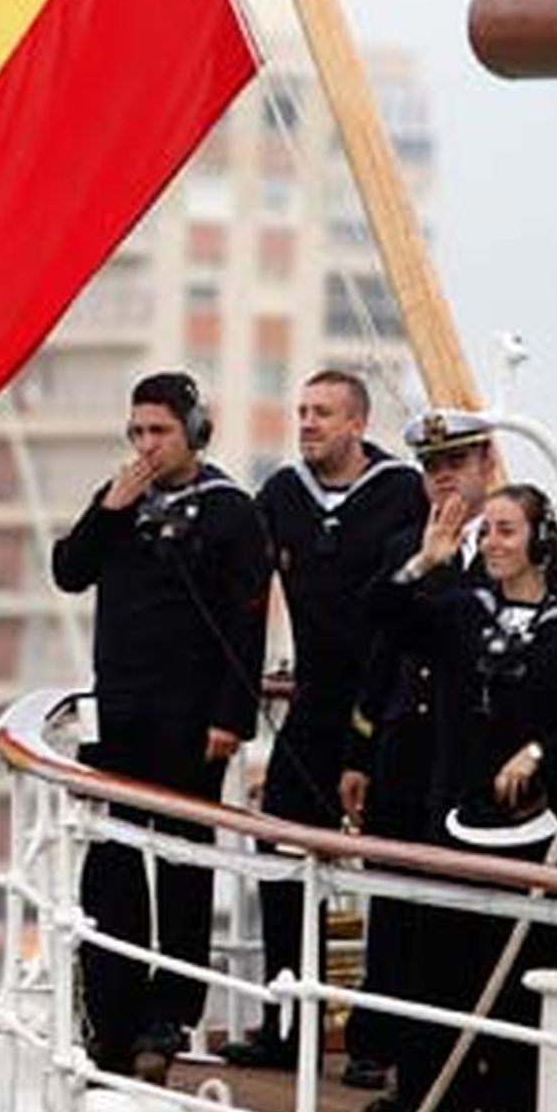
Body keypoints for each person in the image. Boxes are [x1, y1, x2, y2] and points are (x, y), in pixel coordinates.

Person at [371, 481, 557, 1112]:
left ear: (540, 541)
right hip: (456, 827)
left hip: (531, 839)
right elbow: (383, 616)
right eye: (486, 531)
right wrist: (426, 561)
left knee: (527, 989)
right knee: (439, 984)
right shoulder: (460, 611)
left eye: (506, 530)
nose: (491, 543)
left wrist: (541, 752)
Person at [52, 371, 270, 1081]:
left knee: (182, 863)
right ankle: (111, 1012)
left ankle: (168, 1013)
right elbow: (69, 571)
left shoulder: (232, 511)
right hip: (121, 711)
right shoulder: (118, 500)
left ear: (193, 432)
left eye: (160, 432)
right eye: (138, 431)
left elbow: (247, 621)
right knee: (113, 861)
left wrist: (231, 717)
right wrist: (109, 511)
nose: (146, 445)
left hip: (192, 718)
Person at [222, 370, 425, 1073]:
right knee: (280, 850)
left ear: (357, 424)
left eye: (323, 413)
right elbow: (238, 574)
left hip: (386, 707)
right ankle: (288, 1024)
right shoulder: (283, 494)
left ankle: (379, 1041)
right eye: (302, 411)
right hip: (313, 704)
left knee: (389, 870)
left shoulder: (402, 494)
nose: (306, 423)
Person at [338, 408, 497, 1110]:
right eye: (432, 467)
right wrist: (360, 750)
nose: (443, 479)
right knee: (397, 916)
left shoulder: (516, 542)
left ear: (486, 465)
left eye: (456, 464)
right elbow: (380, 650)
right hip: (406, 752)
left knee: (466, 925)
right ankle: (408, 1073)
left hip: (472, 758)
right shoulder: (406, 545)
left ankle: (483, 1083)